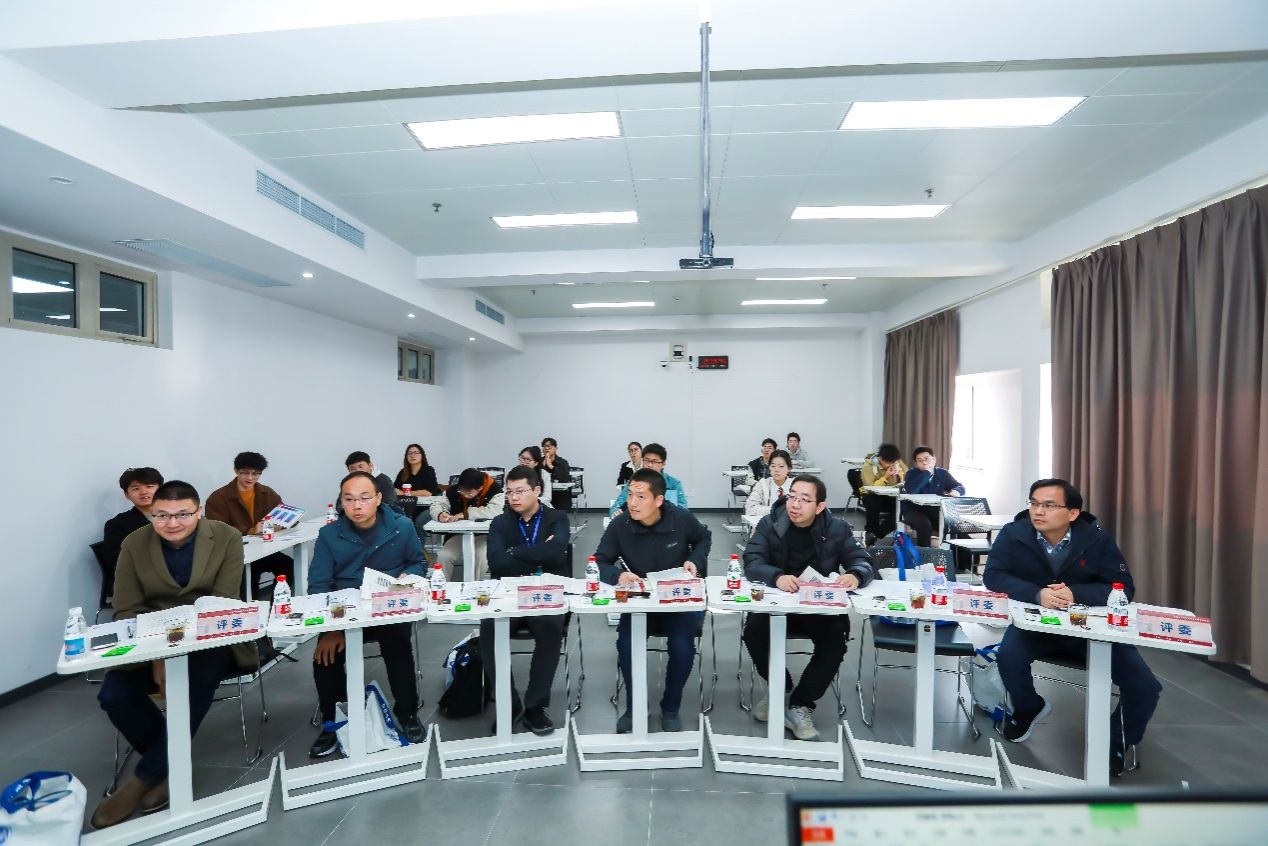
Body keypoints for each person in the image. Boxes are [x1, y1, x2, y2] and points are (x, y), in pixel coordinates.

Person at [91, 480, 247, 829]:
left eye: (183, 515)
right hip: (149, 641)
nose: (172, 523)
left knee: (195, 680)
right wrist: (160, 655)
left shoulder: (226, 538)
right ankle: (169, 767)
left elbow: (221, 603)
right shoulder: (134, 543)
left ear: (199, 512)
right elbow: (126, 608)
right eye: (161, 515)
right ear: (151, 513)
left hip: (210, 638)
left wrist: (175, 651)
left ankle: (143, 779)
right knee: (113, 694)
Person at [984, 479, 1161, 778]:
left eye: (1049, 505)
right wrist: (1037, 594)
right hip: (1036, 626)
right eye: (1034, 503)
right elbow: (994, 575)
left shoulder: (1097, 539)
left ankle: (1117, 738)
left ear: (1073, 513)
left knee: (1145, 686)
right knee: (1008, 657)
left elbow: (1122, 587)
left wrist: (1075, 594)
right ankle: (1028, 707)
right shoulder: (1014, 534)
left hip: (1090, 630)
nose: (1038, 511)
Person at [742, 475, 873, 740]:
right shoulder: (770, 523)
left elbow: (862, 560)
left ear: (820, 506)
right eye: (792, 497)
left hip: (817, 605)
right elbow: (752, 560)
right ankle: (781, 687)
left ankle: (800, 704)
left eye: (804, 500)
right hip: (779, 601)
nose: (795, 505)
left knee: (835, 641)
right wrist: (776, 577)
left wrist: (855, 575)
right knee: (753, 632)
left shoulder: (837, 528)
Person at [308, 471, 428, 758]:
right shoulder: (329, 534)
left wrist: (406, 578)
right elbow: (319, 585)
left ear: (378, 498)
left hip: (386, 609)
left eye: (364, 498)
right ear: (342, 502)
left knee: (398, 645)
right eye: (349, 500)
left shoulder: (401, 526)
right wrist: (330, 629)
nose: (357, 506)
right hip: (346, 614)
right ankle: (334, 721)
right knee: (325, 656)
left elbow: (418, 562)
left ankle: (408, 713)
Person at [594, 468, 711, 733]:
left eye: (641, 497)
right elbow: (599, 561)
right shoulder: (620, 525)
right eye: (630, 495)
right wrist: (618, 575)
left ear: (658, 500)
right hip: (640, 602)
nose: (632, 503)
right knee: (626, 644)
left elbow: (704, 537)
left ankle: (671, 706)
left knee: (682, 646)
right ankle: (636, 705)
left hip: (676, 601)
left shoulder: (680, 518)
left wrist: (694, 561)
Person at [481, 466, 568, 736]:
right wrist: (539, 555)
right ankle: (509, 703)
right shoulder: (500, 523)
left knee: (550, 629)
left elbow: (557, 554)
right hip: (508, 595)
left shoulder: (556, 518)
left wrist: (515, 551)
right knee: (489, 630)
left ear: (537, 491)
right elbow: (497, 562)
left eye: (520, 491)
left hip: (545, 594)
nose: (514, 497)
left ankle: (535, 706)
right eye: (509, 492)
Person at [204, 451, 293, 596]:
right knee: (248, 583)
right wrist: (249, 530)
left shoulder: (266, 492)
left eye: (256, 474)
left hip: (264, 550)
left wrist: (283, 523)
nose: (250, 478)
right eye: (245, 473)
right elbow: (217, 530)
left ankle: (275, 607)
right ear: (236, 471)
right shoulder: (218, 498)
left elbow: (284, 513)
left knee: (288, 565)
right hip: (235, 555)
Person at [100, 467, 165, 599]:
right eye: (135, 488)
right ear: (126, 495)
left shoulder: (179, 517)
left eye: (150, 486)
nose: (144, 492)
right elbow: (119, 562)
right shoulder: (117, 525)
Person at [433, 467, 506, 580]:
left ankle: (474, 587)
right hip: (459, 534)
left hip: (485, 535)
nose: (464, 495)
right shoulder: (453, 490)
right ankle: (442, 587)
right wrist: (440, 514)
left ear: (480, 488)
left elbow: (496, 510)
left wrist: (466, 513)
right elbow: (437, 504)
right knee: (444, 555)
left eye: (469, 493)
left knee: (480, 556)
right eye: (461, 490)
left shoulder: (495, 491)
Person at [900, 445, 964, 547]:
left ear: (934, 460)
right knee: (924, 525)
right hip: (913, 510)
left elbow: (960, 486)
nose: (924, 463)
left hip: (935, 511)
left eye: (927, 459)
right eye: (920, 461)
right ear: (916, 464)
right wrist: (926, 473)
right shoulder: (911, 474)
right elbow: (912, 491)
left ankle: (964, 556)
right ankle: (924, 556)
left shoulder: (942, 474)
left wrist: (957, 491)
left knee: (954, 526)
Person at [610, 443, 687, 516]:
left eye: (654, 461)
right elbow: (616, 507)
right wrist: (615, 514)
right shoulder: (634, 482)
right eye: (646, 460)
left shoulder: (674, 484)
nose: (649, 465)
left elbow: (683, 511)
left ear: (663, 464)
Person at [859, 443, 907, 543]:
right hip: (873, 496)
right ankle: (870, 534)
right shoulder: (868, 466)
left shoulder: (897, 462)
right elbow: (869, 487)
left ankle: (875, 534)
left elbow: (908, 475)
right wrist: (885, 477)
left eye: (893, 462)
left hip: (892, 496)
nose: (891, 465)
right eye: (888, 463)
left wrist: (902, 475)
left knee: (903, 507)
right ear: (880, 458)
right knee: (873, 503)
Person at [395, 443, 440, 537]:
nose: (413, 455)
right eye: (410, 453)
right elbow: (395, 489)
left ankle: (419, 545)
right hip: (410, 505)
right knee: (400, 520)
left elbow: (428, 492)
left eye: (416, 453)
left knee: (419, 521)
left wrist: (405, 493)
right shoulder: (403, 472)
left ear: (422, 455)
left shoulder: (428, 470)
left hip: (428, 506)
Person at [745, 449, 794, 517]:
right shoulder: (762, 484)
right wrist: (774, 510)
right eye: (773, 466)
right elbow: (750, 509)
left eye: (781, 466)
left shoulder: (796, 485)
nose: (776, 470)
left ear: (789, 468)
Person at [540, 437, 573, 511]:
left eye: (549, 446)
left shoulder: (563, 462)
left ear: (555, 448)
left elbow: (565, 478)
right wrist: (542, 465)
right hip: (543, 495)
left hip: (559, 496)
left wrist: (551, 466)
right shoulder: (538, 462)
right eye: (544, 446)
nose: (547, 448)